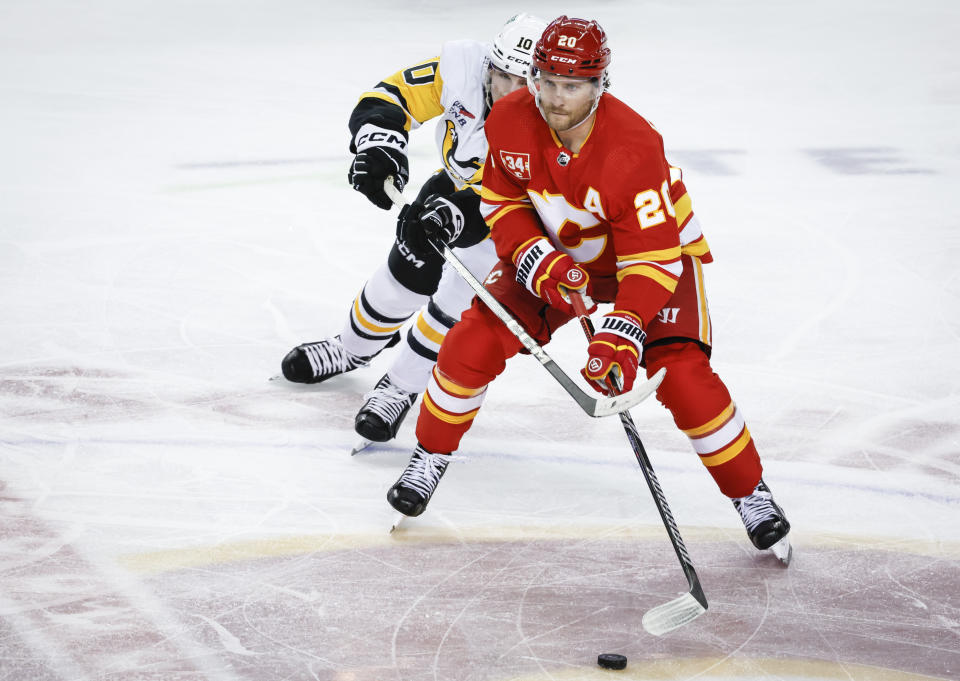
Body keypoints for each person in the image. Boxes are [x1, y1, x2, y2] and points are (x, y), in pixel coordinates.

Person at [387, 15, 791, 556]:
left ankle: (750, 493)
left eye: (573, 86)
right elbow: (502, 203)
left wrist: (622, 330)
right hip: (563, 252)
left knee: (681, 377)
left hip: (652, 259)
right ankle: (430, 457)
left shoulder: (634, 146)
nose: (557, 98)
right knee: (472, 341)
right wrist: (536, 260)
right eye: (548, 82)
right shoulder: (508, 120)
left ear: (601, 85)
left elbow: (651, 257)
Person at [279, 14, 548, 444]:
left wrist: (458, 214)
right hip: (452, 192)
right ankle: (352, 348)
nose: (511, 93)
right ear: (489, 68)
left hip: (512, 225)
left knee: (453, 313)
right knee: (398, 282)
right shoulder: (463, 68)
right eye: (503, 77)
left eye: (525, 82)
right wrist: (381, 143)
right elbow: (392, 95)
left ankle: (400, 387)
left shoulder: (561, 116)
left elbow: (527, 199)